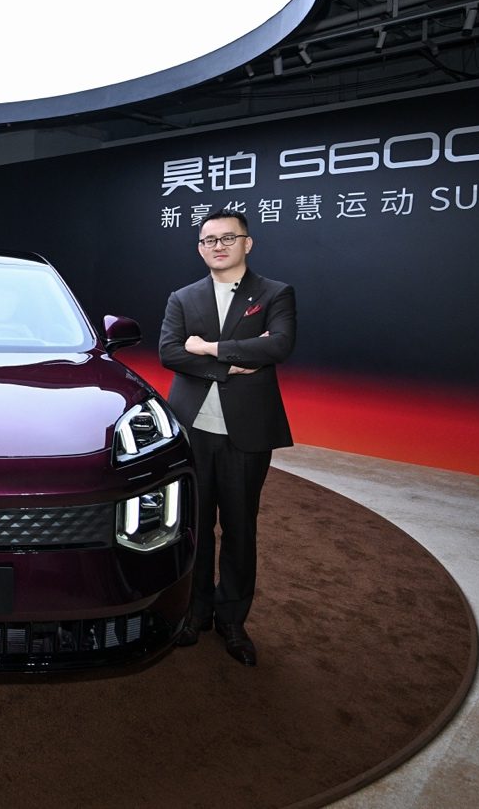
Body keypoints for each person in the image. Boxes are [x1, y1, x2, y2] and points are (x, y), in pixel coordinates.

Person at [159, 209, 296, 666]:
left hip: (248, 431)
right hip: (192, 430)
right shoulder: (183, 297)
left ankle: (233, 620)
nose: (218, 246)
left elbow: (278, 345)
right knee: (194, 528)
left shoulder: (274, 293)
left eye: (228, 238)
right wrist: (229, 365)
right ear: (200, 248)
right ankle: (195, 612)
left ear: (247, 243)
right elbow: (169, 353)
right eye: (209, 240)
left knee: (240, 528)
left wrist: (208, 347)